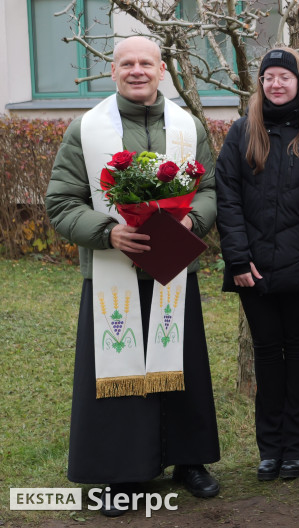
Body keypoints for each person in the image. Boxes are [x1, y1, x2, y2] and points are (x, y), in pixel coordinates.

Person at [45, 35, 220, 517]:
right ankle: (122, 471)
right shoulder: (87, 130)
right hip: (110, 278)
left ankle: (189, 460)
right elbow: (61, 202)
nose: (137, 70)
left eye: (146, 62)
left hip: (173, 273)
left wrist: (193, 220)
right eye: (127, 63)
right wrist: (107, 233)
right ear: (113, 71)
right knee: (116, 374)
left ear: (162, 70)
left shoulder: (187, 127)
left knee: (181, 369)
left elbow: (209, 189)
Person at [215, 47, 299, 482]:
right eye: (268, 76)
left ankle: (297, 450)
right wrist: (237, 259)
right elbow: (227, 198)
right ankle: (269, 449)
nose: (275, 84)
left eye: (283, 77)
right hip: (252, 269)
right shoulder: (241, 133)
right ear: (261, 83)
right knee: (267, 357)